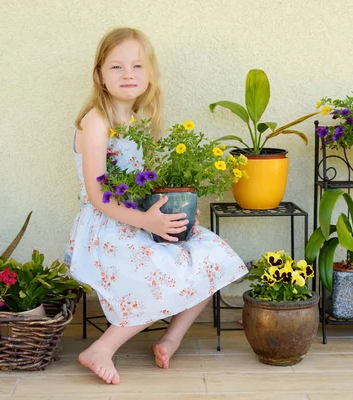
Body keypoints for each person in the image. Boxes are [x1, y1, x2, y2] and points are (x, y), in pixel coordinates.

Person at [65, 27, 247, 385]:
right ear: (100, 76)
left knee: (213, 256)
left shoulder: (138, 122)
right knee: (159, 273)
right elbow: (98, 195)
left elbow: (142, 183)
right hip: (105, 229)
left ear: (149, 76)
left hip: (140, 219)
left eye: (137, 66)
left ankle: (171, 339)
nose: (128, 74)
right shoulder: (96, 121)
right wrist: (148, 223)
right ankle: (101, 348)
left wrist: (171, 207)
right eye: (116, 67)